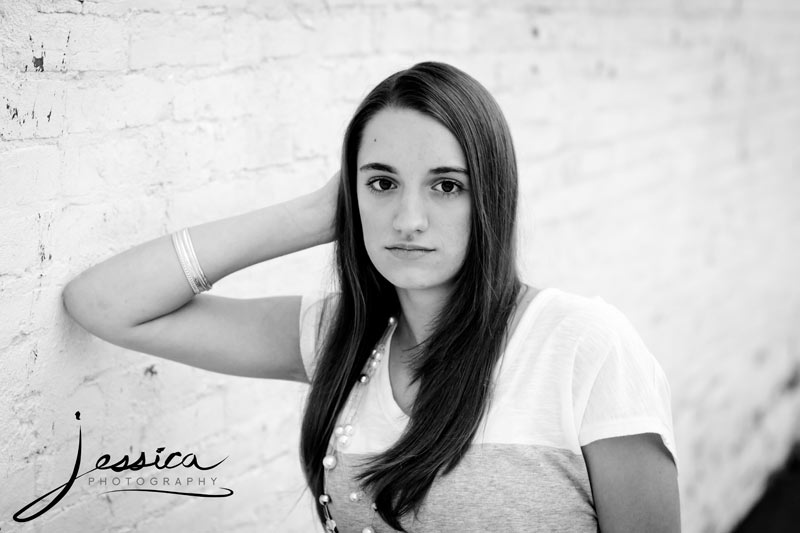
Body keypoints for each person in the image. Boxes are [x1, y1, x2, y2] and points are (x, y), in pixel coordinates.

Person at [62, 61, 680, 532]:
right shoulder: (339, 335)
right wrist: (312, 214)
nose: (408, 218)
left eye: (446, 185)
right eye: (381, 183)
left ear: (491, 196)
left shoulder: (582, 345)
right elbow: (105, 304)